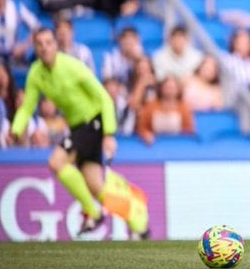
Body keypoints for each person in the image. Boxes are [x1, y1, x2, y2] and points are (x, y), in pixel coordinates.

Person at [10, 28, 149, 239]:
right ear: (35, 48)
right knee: (96, 187)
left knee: (56, 162)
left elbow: (103, 97)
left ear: (56, 45)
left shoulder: (73, 66)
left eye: (49, 42)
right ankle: (139, 223)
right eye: (40, 43)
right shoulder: (35, 73)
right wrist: (16, 129)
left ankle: (92, 212)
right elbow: (27, 107)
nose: (45, 47)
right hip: (77, 128)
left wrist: (109, 133)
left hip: (93, 122)